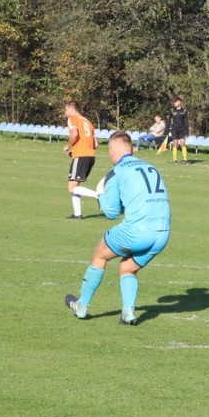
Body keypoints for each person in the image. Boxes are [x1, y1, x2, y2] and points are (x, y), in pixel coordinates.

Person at [65, 131, 171, 325]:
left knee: (100, 254)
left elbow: (112, 212)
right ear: (131, 149)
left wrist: (100, 194)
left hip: (138, 230)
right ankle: (128, 314)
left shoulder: (117, 172)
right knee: (127, 267)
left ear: (112, 151)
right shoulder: (150, 167)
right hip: (163, 232)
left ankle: (82, 306)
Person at [63, 101, 98, 219]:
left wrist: (68, 146)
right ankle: (77, 214)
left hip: (81, 156)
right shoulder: (88, 122)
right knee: (76, 186)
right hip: (90, 156)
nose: (65, 112)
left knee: (71, 188)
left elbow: (74, 134)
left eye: (66, 110)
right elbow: (96, 144)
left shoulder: (72, 118)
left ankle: (99, 195)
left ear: (72, 109)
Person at [166, 96, 189, 163]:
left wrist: (187, 129)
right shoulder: (171, 110)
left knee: (182, 143)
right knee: (175, 144)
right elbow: (169, 120)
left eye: (175, 102)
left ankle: (185, 159)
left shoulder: (184, 111)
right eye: (174, 102)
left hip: (182, 129)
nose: (174, 103)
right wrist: (167, 129)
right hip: (174, 129)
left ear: (179, 102)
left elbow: (186, 121)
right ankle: (175, 159)